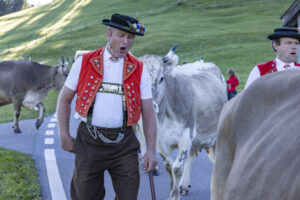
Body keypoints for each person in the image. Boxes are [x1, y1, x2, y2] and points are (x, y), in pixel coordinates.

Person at [56, 14, 158, 200]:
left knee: (129, 195)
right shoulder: (85, 62)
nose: (125, 42)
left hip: (125, 144)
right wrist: (64, 134)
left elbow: (148, 111)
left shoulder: (139, 69)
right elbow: (64, 100)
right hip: (89, 141)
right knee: (84, 195)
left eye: (130, 37)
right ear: (108, 34)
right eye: (120, 35)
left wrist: (150, 150)